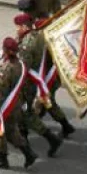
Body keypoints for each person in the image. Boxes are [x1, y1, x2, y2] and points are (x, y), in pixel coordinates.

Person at [15, 13, 64, 157]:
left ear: (24, 27)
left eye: (18, 27)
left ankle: (51, 139)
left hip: (26, 84)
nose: (16, 29)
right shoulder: (36, 37)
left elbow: (23, 67)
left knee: (27, 114)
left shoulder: (27, 44)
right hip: (31, 82)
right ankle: (26, 142)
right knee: (23, 113)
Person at [0, 38, 38, 169]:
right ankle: (29, 153)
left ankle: (2, 158)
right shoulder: (20, 64)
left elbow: (0, 92)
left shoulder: (6, 69)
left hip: (5, 106)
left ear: (5, 50)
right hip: (16, 103)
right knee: (11, 131)